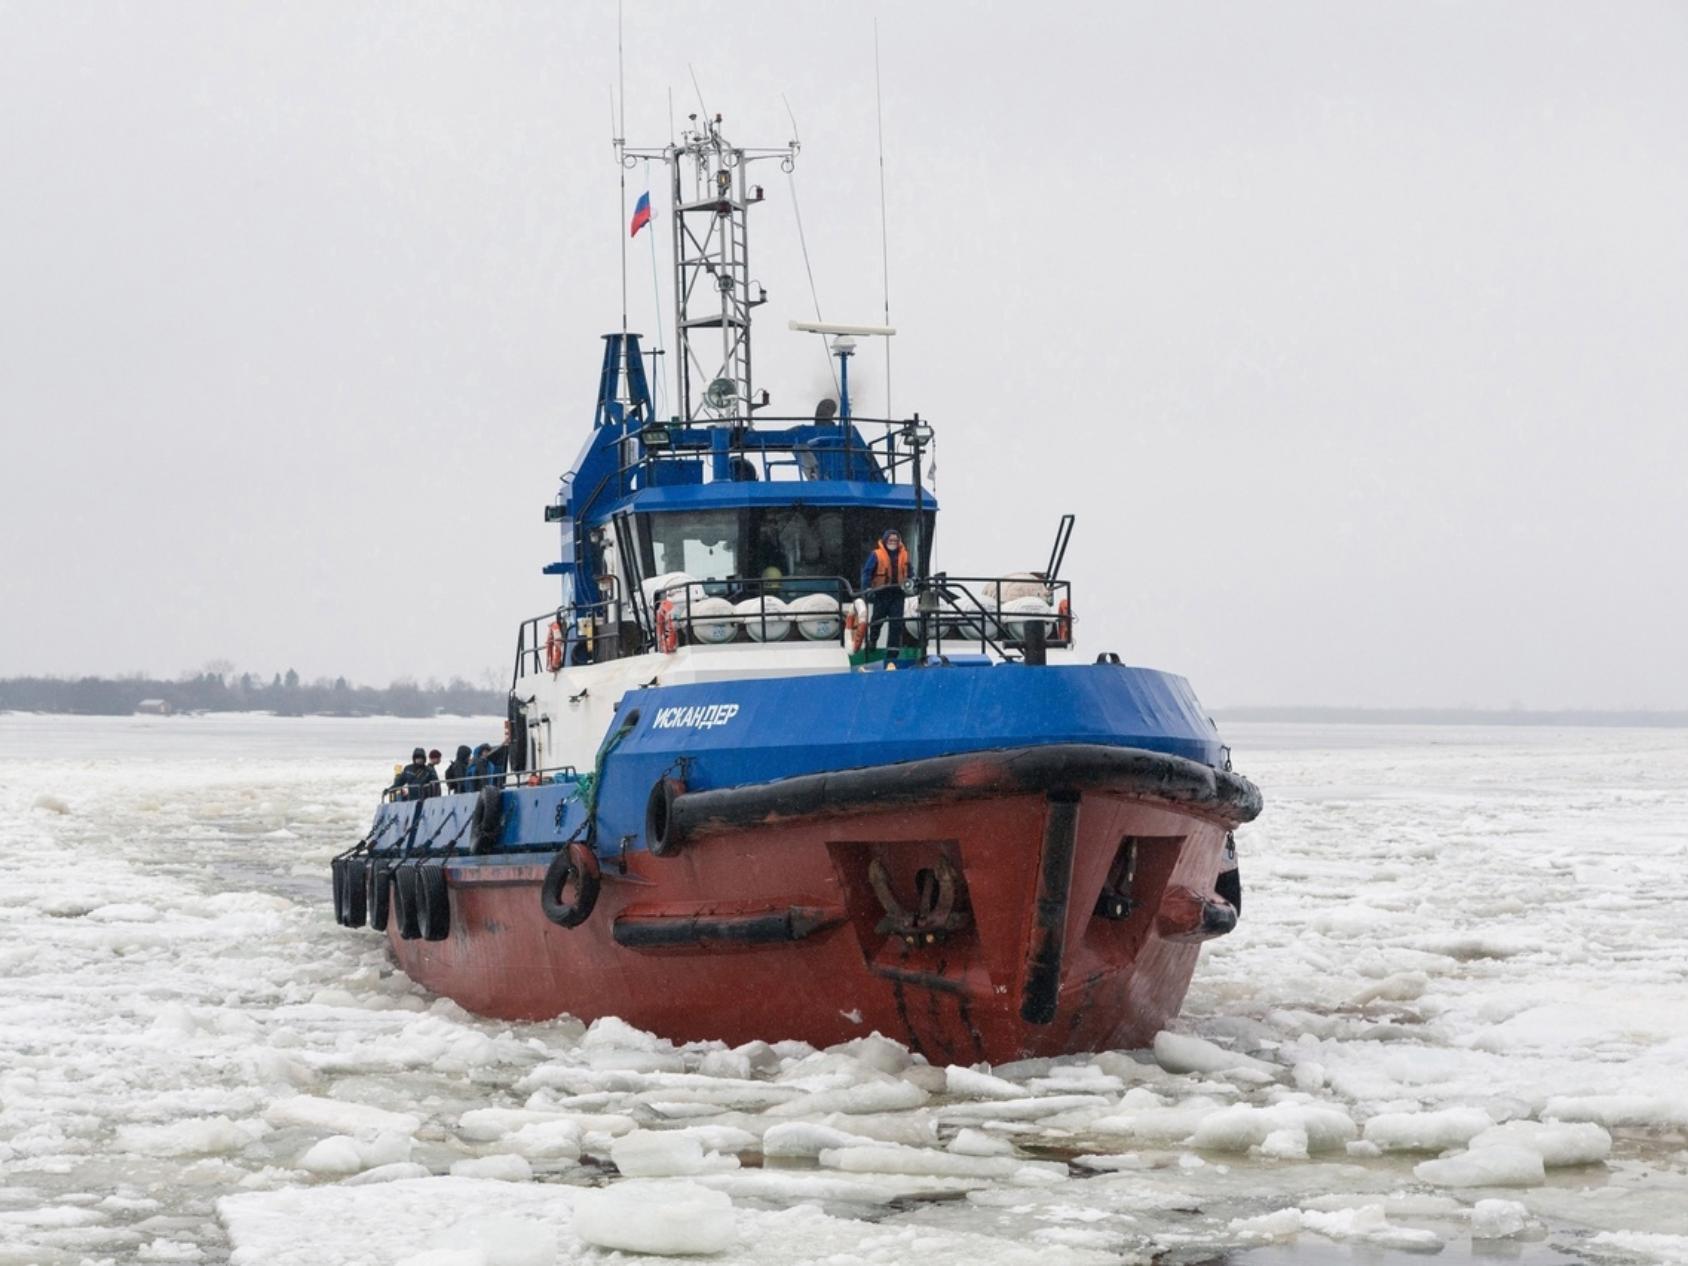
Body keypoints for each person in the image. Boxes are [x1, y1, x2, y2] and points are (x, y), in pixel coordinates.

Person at [859, 528, 911, 653]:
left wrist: (912, 582)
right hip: (881, 592)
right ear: (885, 540)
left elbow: (910, 572)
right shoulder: (876, 554)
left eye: (896, 540)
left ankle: (893, 650)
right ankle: (872, 642)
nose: (893, 542)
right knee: (877, 619)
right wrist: (866, 589)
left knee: (896, 623)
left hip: (898, 593)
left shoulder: (905, 555)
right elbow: (867, 572)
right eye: (890, 539)